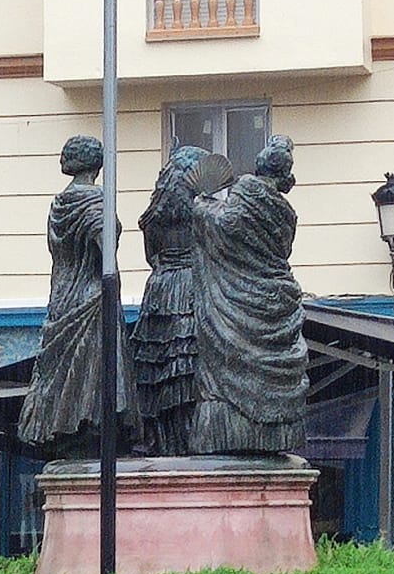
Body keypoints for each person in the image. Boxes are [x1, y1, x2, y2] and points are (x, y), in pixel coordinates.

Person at [189, 136, 308, 455]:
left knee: (229, 364)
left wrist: (201, 202)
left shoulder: (245, 198)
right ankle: (270, 429)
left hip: (235, 303)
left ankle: (236, 425)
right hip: (275, 297)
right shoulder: (286, 214)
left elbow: (222, 225)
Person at [18, 136, 132, 448]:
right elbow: (105, 251)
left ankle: (62, 428)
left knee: (62, 371)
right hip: (92, 296)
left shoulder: (59, 203)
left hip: (62, 295)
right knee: (90, 373)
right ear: (98, 164)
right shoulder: (97, 202)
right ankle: (84, 427)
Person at [134, 144, 205, 457]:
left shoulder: (153, 217)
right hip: (192, 286)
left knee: (159, 369)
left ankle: (163, 442)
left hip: (160, 290)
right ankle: (190, 440)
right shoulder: (202, 211)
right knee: (189, 368)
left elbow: (151, 257)